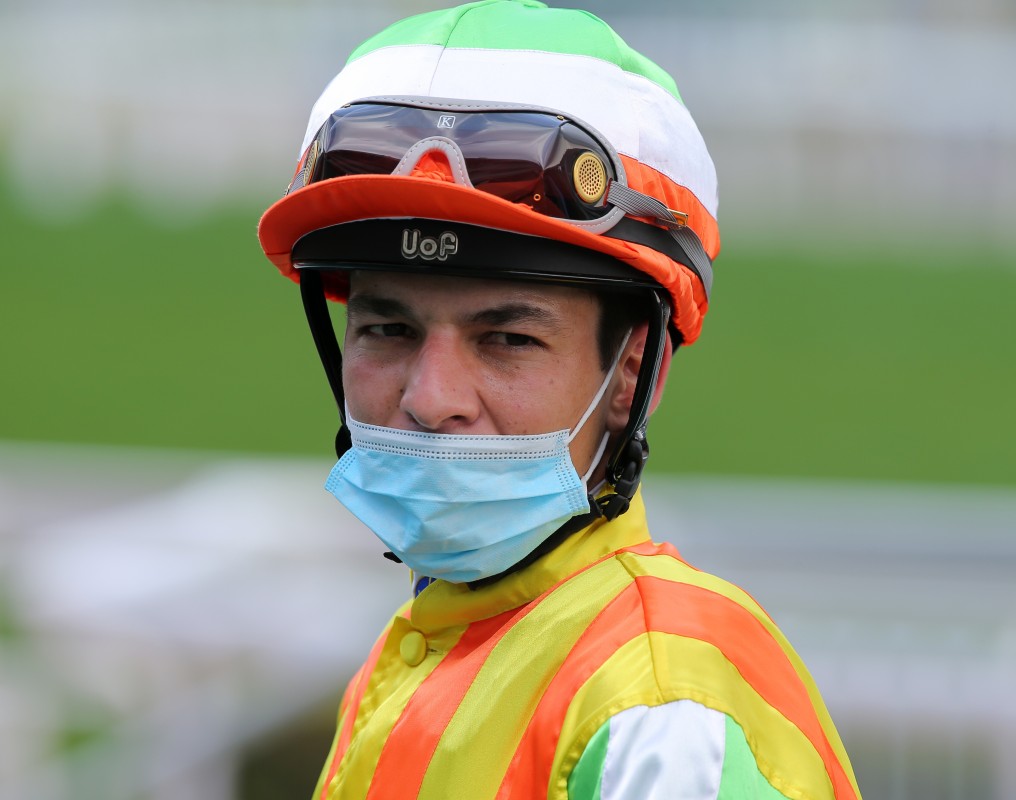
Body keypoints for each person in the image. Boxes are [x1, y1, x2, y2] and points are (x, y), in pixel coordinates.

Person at [257, 1, 861, 797]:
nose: (432, 397)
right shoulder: (424, 645)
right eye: (388, 329)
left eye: (507, 338)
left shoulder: (664, 709)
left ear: (631, 374)